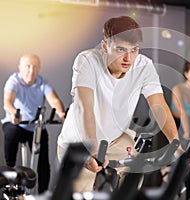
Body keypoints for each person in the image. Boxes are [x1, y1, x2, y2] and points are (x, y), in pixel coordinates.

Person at [57, 15, 180, 192]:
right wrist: (92, 148)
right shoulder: (87, 61)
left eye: (134, 49)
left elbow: (158, 105)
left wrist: (175, 145)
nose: (128, 58)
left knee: (134, 172)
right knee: (79, 195)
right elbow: (85, 107)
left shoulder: (143, 66)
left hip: (115, 140)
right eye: (121, 49)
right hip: (79, 142)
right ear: (105, 46)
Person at [1, 53, 65, 193]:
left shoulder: (42, 83)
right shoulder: (14, 81)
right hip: (16, 123)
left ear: (39, 69)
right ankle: (9, 175)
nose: (31, 70)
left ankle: (43, 193)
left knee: (43, 162)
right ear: (20, 68)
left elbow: (53, 100)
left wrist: (61, 113)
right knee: (12, 132)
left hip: (34, 126)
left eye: (35, 67)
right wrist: (13, 113)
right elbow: (7, 102)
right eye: (28, 66)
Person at [170, 61, 190, 149]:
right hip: (177, 124)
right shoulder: (178, 89)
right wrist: (187, 132)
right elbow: (182, 112)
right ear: (186, 74)